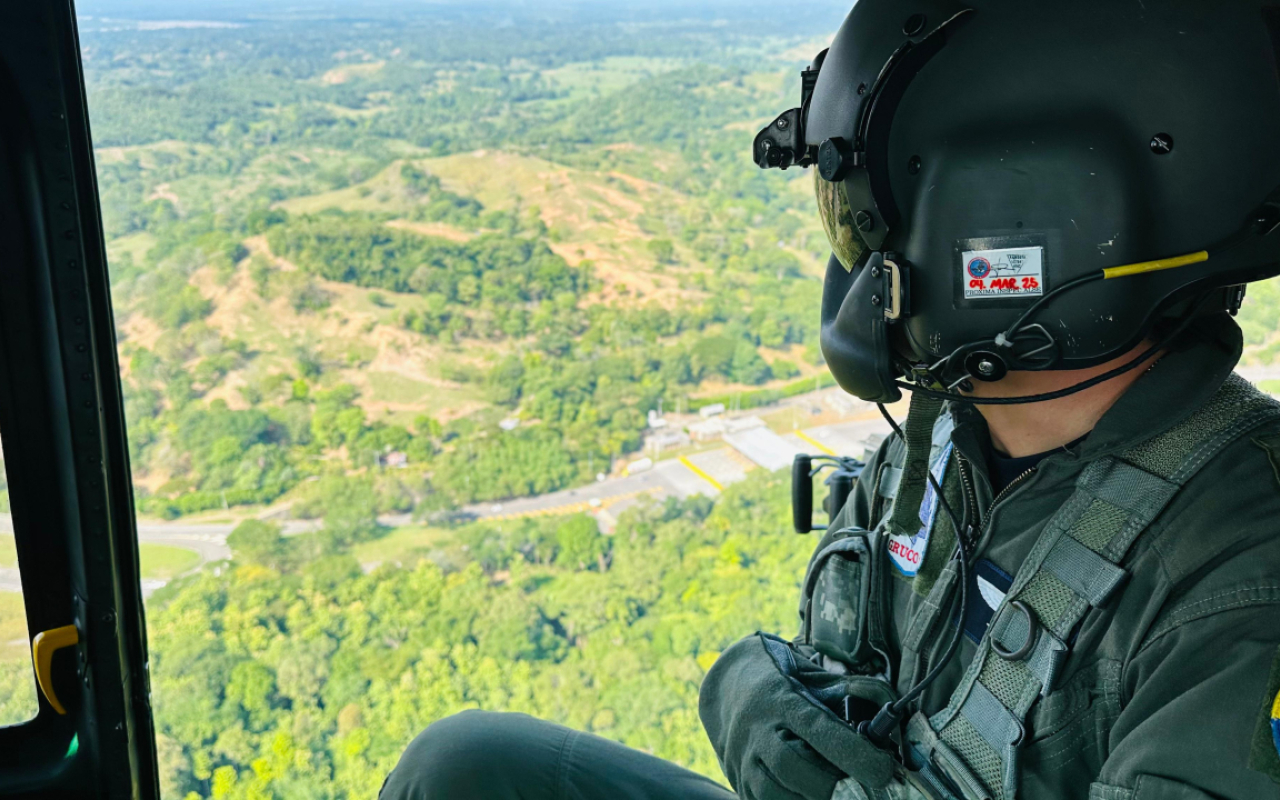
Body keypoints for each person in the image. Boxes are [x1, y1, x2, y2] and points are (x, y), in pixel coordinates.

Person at [380, 1, 1280, 797]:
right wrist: (747, 689)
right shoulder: (942, 445)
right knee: (465, 767)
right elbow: (845, 673)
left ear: (1022, 218)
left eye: (873, 214)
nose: (861, 265)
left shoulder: (1240, 569)